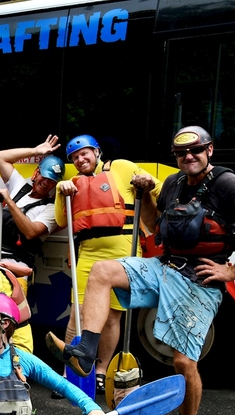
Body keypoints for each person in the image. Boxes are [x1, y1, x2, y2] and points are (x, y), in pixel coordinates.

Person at [47, 126, 235, 415]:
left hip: (198, 280)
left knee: (183, 363)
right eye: (181, 153)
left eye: (195, 150)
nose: (188, 157)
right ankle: (86, 353)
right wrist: (146, 194)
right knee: (102, 270)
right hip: (164, 266)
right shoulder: (175, 184)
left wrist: (234, 270)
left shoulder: (226, 183)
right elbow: (152, 224)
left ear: (209, 151)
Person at [46, 134, 161, 393]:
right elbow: (61, 220)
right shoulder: (72, 183)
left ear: (97, 152)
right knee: (78, 314)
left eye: (84, 153)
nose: (80, 159)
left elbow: (159, 188)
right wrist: (60, 191)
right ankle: (70, 371)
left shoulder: (121, 167)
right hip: (87, 253)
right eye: (74, 157)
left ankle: (100, 370)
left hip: (123, 250)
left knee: (111, 318)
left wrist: (147, 182)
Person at [0, 136, 64, 292]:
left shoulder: (51, 209)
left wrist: (9, 201)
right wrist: (35, 151)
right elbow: (1, 157)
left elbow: (31, 232)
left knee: (8, 312)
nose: (46, 182)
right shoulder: (20, 188)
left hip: (17, 266)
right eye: (44, 176)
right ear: (36, 173)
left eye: (52, 180)